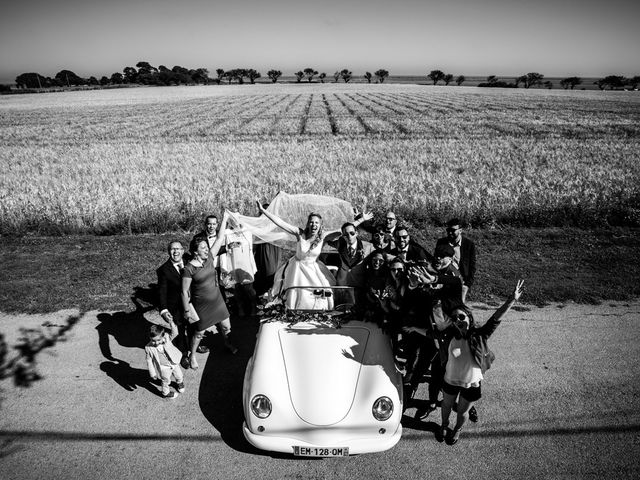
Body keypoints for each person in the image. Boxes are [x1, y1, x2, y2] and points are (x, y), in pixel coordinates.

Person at [409, 280, 524, 445]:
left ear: (469, 318)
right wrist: (414, 329)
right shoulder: (447, 335)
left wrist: (512, 300)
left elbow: (496, 318)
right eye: (455, 318)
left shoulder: (479, 335)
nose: (458, 320)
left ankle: (457, 430)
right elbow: (430, 333)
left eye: (461, 316)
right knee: (447, 406)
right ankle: (444, 425)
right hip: (450, 380)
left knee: (462, 412)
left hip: (471, 384)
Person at [257, 201, 371, 310]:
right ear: (308, 223)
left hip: (314, 270)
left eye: (316, 222)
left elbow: (345, 230)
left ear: (320, 225)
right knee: (295, 295)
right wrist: (264, 211)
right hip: (296, 270)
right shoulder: (300, 234)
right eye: (311, 222)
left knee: (319, 296)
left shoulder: (324, 236)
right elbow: (281, 223)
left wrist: (361, 219)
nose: (314, 225)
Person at [182, 212, 237, 370]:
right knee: (199, 334)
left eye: (207, 247)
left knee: (227, 327)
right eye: (203, 248)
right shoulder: (189, 269)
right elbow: (184, 292)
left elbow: (219, 238)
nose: (207, 249)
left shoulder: (210, 258)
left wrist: (225, 218)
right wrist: (187, 310)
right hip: (201, 306)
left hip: (218, 302)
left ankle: (227, 343)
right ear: (195, 250)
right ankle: (192, 354)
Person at [156, 240, 188, 351]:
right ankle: (183, 353)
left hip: (192, 302)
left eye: (178, 249)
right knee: (180, 328)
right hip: (176, 305)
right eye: (172, 249)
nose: (175, 252)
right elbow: (162, 291)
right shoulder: (163, 270)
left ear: (183, 251)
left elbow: (207, 254)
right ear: (169, 252)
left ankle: (194, 346)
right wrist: (164, 310)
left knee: (194, 326)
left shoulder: (189, 261)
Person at [435, 219, 477, 303]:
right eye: (448, 230)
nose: (450, 233)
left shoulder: (469, 245)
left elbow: (472, 266)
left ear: (460, 230)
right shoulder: (441, 242)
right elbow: (436, 261)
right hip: (443, 281)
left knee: (458, 308)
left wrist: (467, 285)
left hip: (460, 282)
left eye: (453, 230)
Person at [145, 319, 185, 399]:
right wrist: (153, 373)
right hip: (164, 367)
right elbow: (149, 361)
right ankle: (165, 393)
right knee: (166, 381)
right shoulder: (148, 348)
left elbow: (175, 333)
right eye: (153, 340)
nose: (156, 343)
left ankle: (179, 383)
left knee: (179, 375)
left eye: (158, 340)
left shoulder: (167, 338)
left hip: (174, 362)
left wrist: (171, 322)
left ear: (163, 336)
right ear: (150, 338)